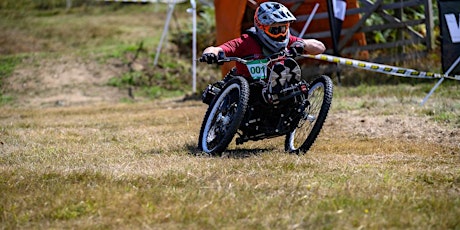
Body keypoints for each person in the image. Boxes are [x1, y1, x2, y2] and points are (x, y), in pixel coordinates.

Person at [199, 1, 326, 79]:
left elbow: (320, 47)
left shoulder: (289, 41)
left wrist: (302, 45)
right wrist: (210, 54)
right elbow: (216, 49)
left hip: (275, 87)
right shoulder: (246, 41)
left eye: (283, 28)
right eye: (275, 30)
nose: (281, 34)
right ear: (261, 27)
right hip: (246, 86)